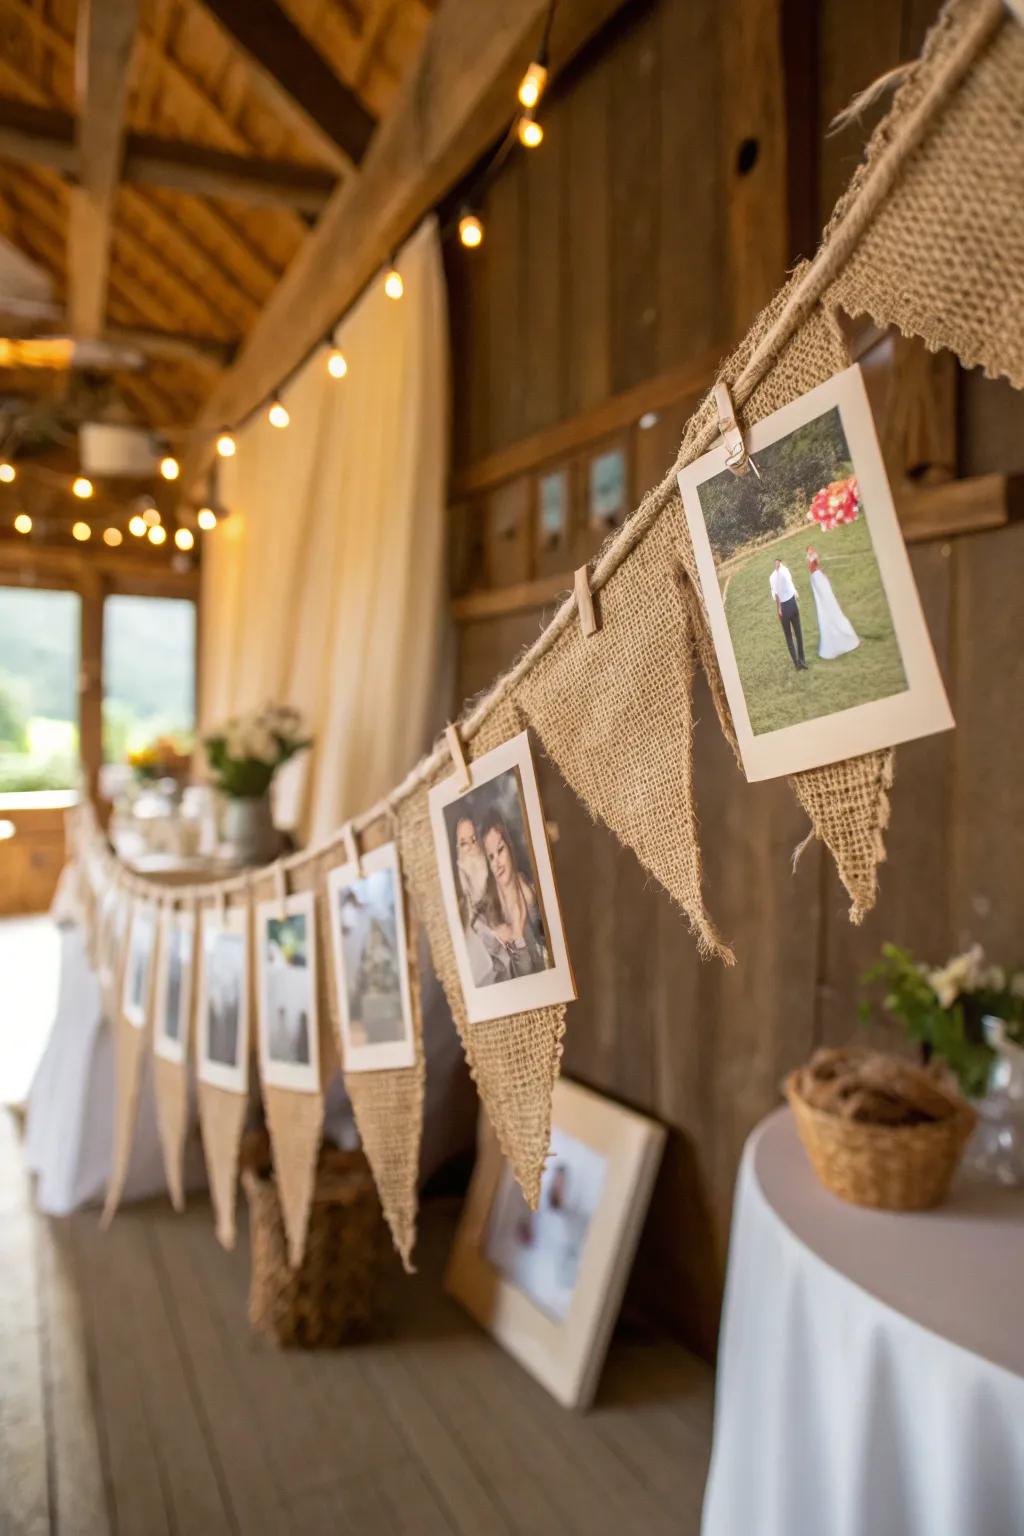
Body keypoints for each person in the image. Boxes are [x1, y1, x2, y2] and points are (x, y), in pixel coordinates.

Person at [481, 811, 550, 977]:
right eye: (490, 857)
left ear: (510, 847)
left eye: (500, 850)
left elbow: (545, 948)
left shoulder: (528, 892)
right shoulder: (491, 910)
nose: (496, 862)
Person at [453, 814, 510, 986]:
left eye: (473, 839)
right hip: (478, 926)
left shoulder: (488, 860)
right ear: (458, 846)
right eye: (464, 843)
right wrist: (491, 931)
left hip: (497, 912)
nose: (470, 846)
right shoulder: (461, 871)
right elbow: (469, 915)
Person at [806, 544, 860, 660]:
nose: (811, 551)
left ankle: (841, 633)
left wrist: (817, 568)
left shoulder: (813, 558)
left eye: (811, 549)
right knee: (825, 608)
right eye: (809, 550)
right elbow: (812, 569)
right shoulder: (811, 559)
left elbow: (815, 567)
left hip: (819, 578)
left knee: (830, 606)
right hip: (817, 579)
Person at [769, 557, 807, 671]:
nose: (777, 564)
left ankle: (800, 662)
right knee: (791, 635)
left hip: (789, 604)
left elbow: (782, 591)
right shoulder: (775, 576)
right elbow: (777, 594)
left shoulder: (782, 573)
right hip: (787, 605)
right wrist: (780, 609)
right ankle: (798, 662)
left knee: (795, 634)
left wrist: (781, 608)